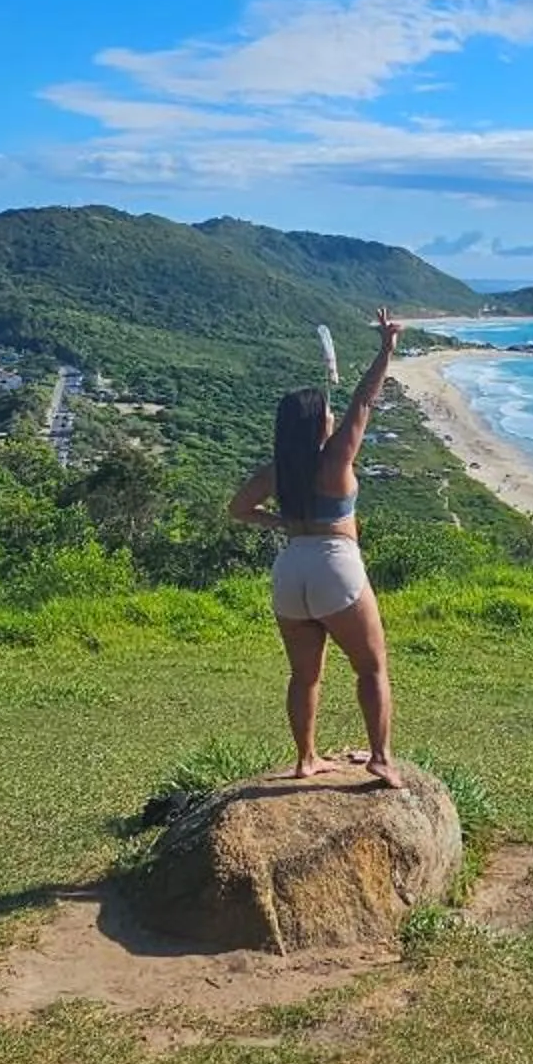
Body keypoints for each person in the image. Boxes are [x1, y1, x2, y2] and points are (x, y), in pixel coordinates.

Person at [229, 308, 403, 786]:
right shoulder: (335, 460)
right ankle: (381, 759)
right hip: (335, 567)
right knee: (371, 669)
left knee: (304, 676)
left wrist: (282, 521)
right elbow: (364, 404)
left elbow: (238, 508)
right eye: (326, 412)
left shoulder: (279, 470)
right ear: (317, 424)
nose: (332, 415)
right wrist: (386, 350)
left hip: (290, 571)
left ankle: (306, 759)